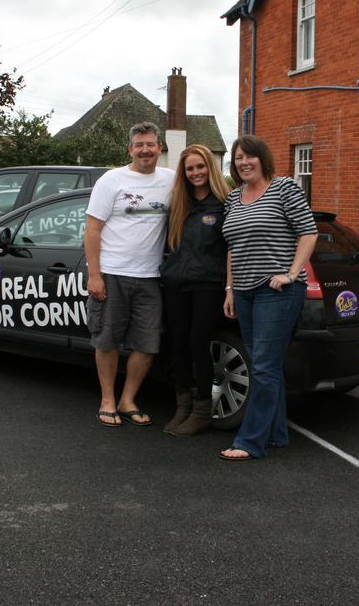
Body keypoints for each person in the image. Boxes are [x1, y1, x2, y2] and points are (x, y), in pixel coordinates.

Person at [219, 135, 318, 460]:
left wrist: (291, 274)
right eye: (238, 159)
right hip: (244, 291)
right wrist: (230, 289)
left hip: (277, 291)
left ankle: (250, 441)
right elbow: (232, 246)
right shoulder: (234, 197)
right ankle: (276, 434)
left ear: (262, 158)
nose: (243, 163)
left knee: (262, 366)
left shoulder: (284, 188)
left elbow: (308, 232)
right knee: (267, 366)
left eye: (249, 157)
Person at [84, 122, 175, 428]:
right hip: (112, 273)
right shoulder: (112, 180)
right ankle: (107, 399)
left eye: (150, 144)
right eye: (139, 145)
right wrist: (94, 274)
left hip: (151, 276)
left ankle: (128, 399)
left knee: (147, 344)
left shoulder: (171, 180)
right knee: (107, 340)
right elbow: (92, 229)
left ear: (159, 148)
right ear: (130, 149)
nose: (145, 150)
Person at [159, 144, 229, 436]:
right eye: (190, 168)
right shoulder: (178, 203)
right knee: (177, 344)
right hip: (176, 283)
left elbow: (232, 249)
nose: (196, 172)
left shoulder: (224, 204)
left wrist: (229, 288)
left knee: (198, 342)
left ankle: (202, 410)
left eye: (200, 166)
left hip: (208, 285)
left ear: (210, 168)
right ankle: (182, 407)